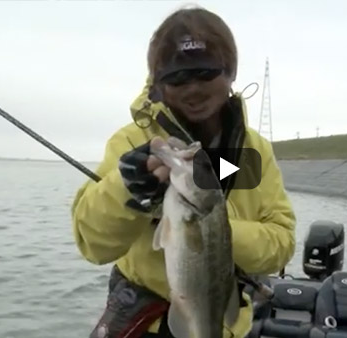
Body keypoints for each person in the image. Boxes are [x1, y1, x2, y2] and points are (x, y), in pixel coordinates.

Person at [71, 5, 296, 338]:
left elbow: (281, 242)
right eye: (177, 77)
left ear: (230, 72)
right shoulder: (134, 141)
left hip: (225, 324)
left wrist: (215, 231)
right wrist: (128, 189)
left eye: (205, 73)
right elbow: (93, 245)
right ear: (158, 85)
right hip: (147, 323)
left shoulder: (253, 152)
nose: (193, 89)